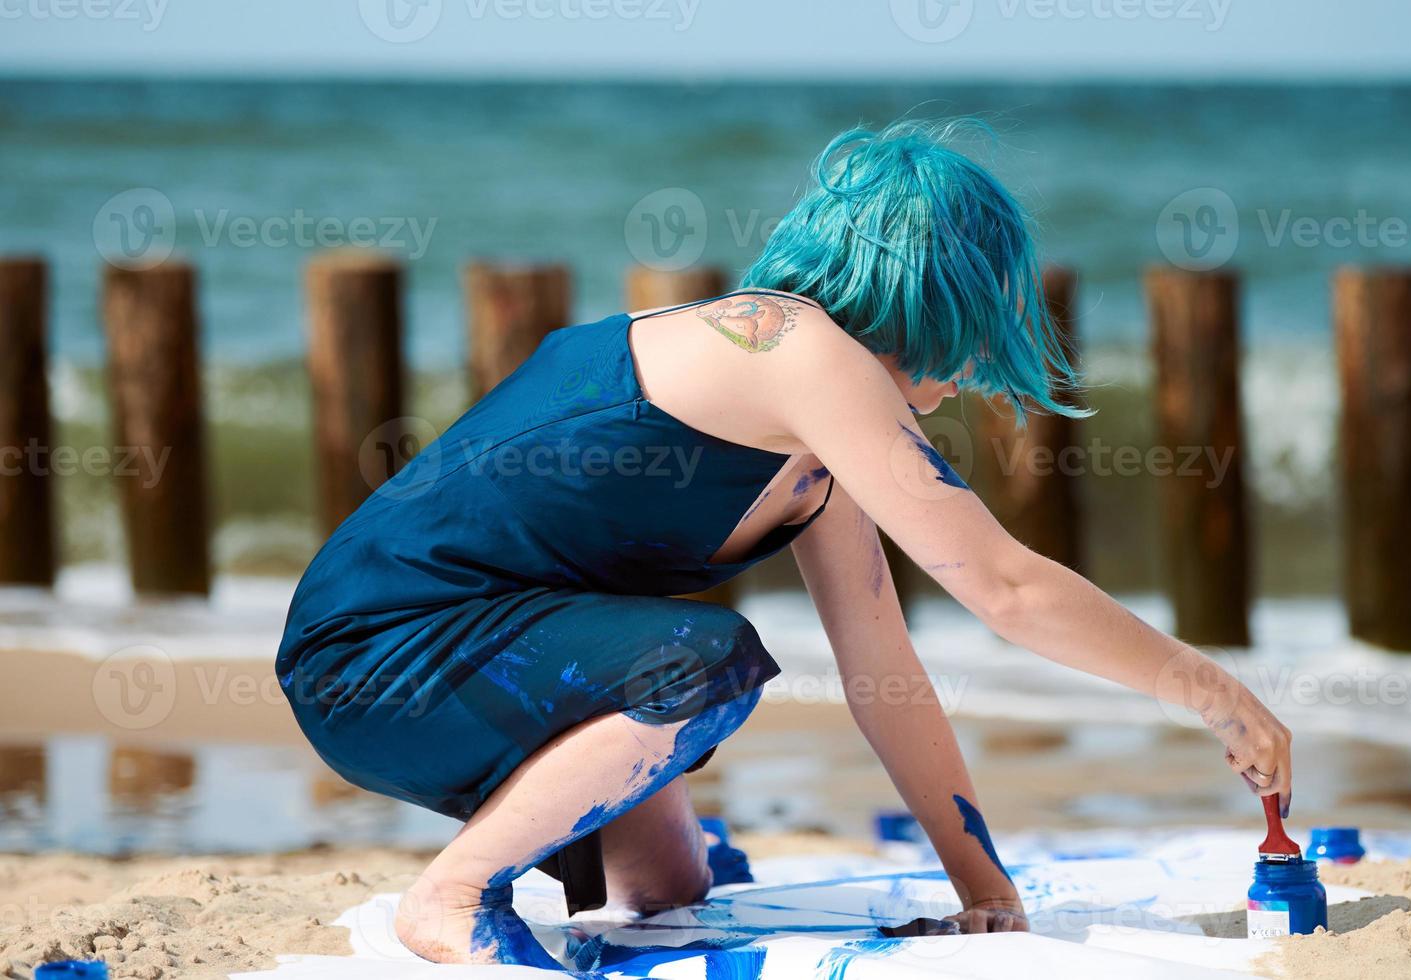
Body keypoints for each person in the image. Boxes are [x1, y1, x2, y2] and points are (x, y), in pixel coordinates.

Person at [274, 117, 1294, 968]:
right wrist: (1214, 690)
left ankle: (538, 855)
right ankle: (448, 893)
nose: (980, 366)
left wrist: (986, 891)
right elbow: (1004, 585)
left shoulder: (811, 439)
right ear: (931, 296)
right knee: (710, 663)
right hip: (372, 656)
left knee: (673, 890)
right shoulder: (794, 348)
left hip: (486, 662)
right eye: (977, 326)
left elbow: (886, 674)